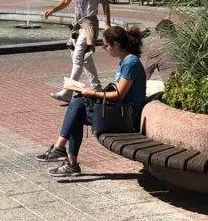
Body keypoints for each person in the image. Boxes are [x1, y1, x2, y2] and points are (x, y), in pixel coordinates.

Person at [35, 25, 146, 176]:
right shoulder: (125, 61)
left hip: (126, 116)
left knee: (77, 108)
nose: (105, 49)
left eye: (106, 45)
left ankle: (64, 153)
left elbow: (119, 94)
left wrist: (93, 93)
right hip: (119, 110)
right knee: (78, 103)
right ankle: (66, 157)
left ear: (116, 45)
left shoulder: (130, 63)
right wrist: (88, 92)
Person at [44, 0, 112, 101]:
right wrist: (52, 10)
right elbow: (67, 0)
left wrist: (107, 23)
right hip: (77, 25)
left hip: (89, 23)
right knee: (85, 58)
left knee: (77, 56)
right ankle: (97, 87)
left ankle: (67, 92)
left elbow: (105, 4)